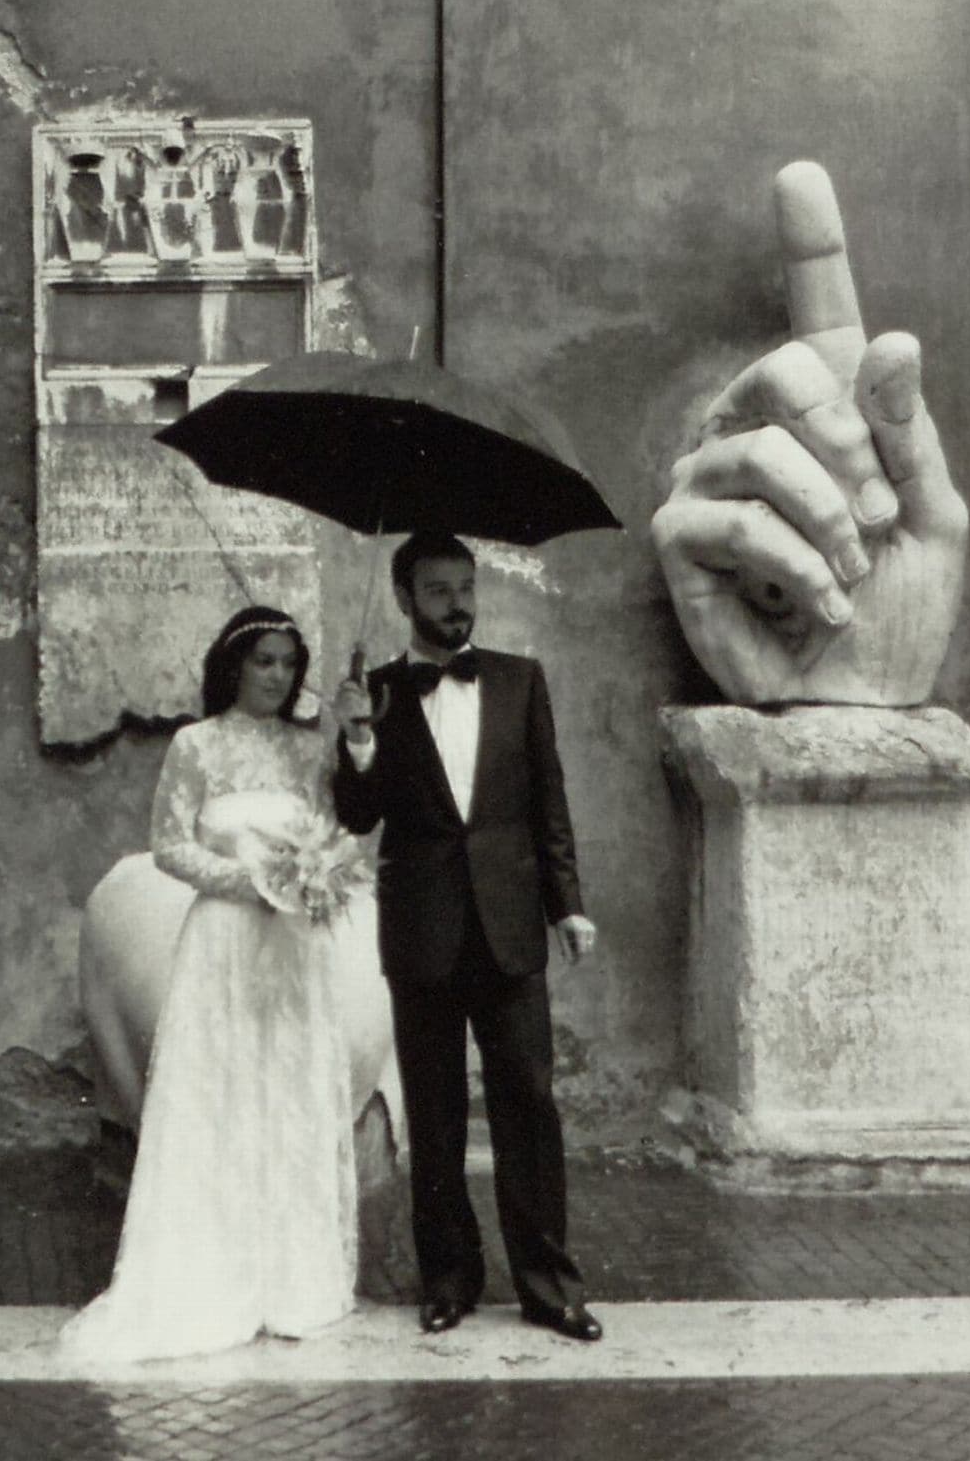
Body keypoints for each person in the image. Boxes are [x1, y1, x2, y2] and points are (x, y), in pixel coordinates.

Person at [60, 607, 365, 1363]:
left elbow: (337, 832)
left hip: (293, 948)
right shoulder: (197, 745)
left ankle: (291, 1276)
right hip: (224, 940)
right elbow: (169, 846)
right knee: (222, 1091)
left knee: (286, 1090)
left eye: (290, 663)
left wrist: (315, 867)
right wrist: (250, 878)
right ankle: (213, 1265)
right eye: (264, 660)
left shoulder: (306, 750)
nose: (278, 675)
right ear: (233, 665)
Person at [334, 533, 601, 1343]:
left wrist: (569, 906)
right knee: (438, 1114)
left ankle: (549, 1285)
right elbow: (357, 814)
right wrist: (356, 740)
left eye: (465, 586)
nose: (457, 602)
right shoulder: (374, 689)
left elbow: (547, 804)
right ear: (405, 598)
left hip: (512, 927)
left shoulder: (522, 681)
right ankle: (447, 1276)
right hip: (422, 931)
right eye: (438, 589)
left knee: (529, 1103)